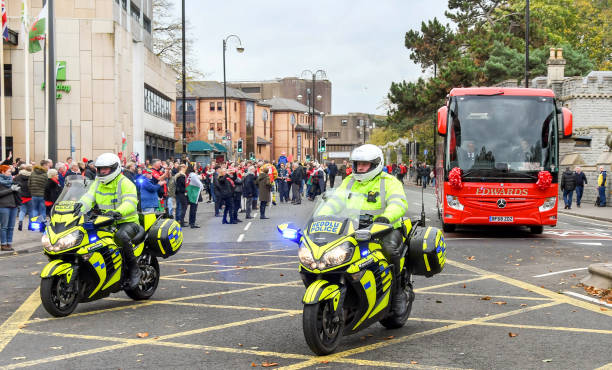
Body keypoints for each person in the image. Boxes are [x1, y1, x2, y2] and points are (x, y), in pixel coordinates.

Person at [331, 144, 410, 316]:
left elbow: (399, 203)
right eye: (358, 163)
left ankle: (397, 295)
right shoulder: (349, 181)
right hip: (353, 229)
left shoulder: (388, 182)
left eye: (364, 164)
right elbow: (334, 202)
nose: (360, 167)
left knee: (390, 251)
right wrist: (322, 216)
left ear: (375, 164)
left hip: (384, 229)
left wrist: (386, 217)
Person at [79, 153, 141, 289]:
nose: (102, 172)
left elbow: (130, 203)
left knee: (120, 237)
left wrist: (118, 212)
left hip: (127, 222)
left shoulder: (125, 183)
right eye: (100, 169)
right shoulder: (97, 183)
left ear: (114, 168)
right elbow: (88, 197)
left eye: (105, 169)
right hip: (105, 221)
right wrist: (77, 206)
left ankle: (134, 269)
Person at [0, 165, 20, 251]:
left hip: (13, 205)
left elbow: (14, 192)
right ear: (2, 172)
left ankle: (9, 244)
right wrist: (11, 190)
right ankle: (3, 244)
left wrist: (17, 189)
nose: (10, 173)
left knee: (11, 227)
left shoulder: (11, 180)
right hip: (3, 206)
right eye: (8, 171)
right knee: (4, 226)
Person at [14, 165, 32, 231]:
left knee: (22, 210)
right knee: (31, 211)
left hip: (21, 196)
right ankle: (30, 225)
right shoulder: (32, 176)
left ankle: (20, 222)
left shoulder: (18, 176)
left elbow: (15, 184)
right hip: (30, 196)